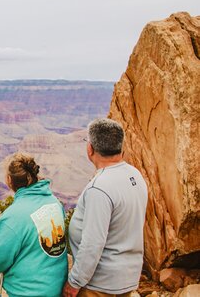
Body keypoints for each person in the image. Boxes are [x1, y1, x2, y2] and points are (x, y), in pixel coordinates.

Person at [63, 118, 148, 297]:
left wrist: (75, 282)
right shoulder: (135, 175)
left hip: (100, 286)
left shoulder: (99, 188)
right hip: (126, 279)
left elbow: (92, 243)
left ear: (90, 149)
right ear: (121, 147)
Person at [0, 153, 68, 297]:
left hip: (28, 292)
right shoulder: (54, 202)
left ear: (9, 180)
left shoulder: (12, 217)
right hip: (56, 287)